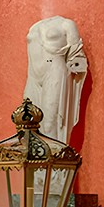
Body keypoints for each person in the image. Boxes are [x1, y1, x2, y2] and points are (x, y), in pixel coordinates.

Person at [23, 15, 88, 144]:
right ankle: (36, 160)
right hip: (33, 75)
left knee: (50, 122)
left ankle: (54, 159)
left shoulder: (67, 24)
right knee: (28, 119)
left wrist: (76, 65)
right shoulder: (35, 26)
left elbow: (77, 55)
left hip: (54, 70)